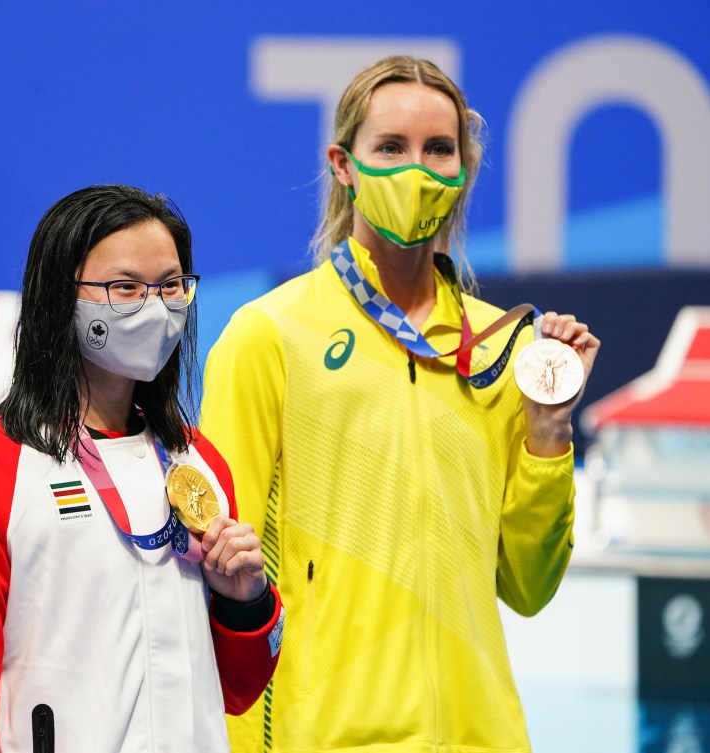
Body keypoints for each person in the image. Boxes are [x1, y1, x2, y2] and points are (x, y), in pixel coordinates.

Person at [201, 57, 601, 752]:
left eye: (437, 150)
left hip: (481, 735)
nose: (415, 169)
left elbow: (528, 587)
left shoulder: (497, 348)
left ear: (462, 171)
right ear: (342, 164)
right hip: (320, 735)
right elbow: (215, 571)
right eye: (389, 147)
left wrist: (547, 428)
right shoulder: (269, 335)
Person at [0, 185, 285, 752]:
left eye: (171, 286)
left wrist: (246, 600)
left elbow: (239, 690)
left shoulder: (199, 461)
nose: (155, 307)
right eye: (126, 287)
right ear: (59, 298)